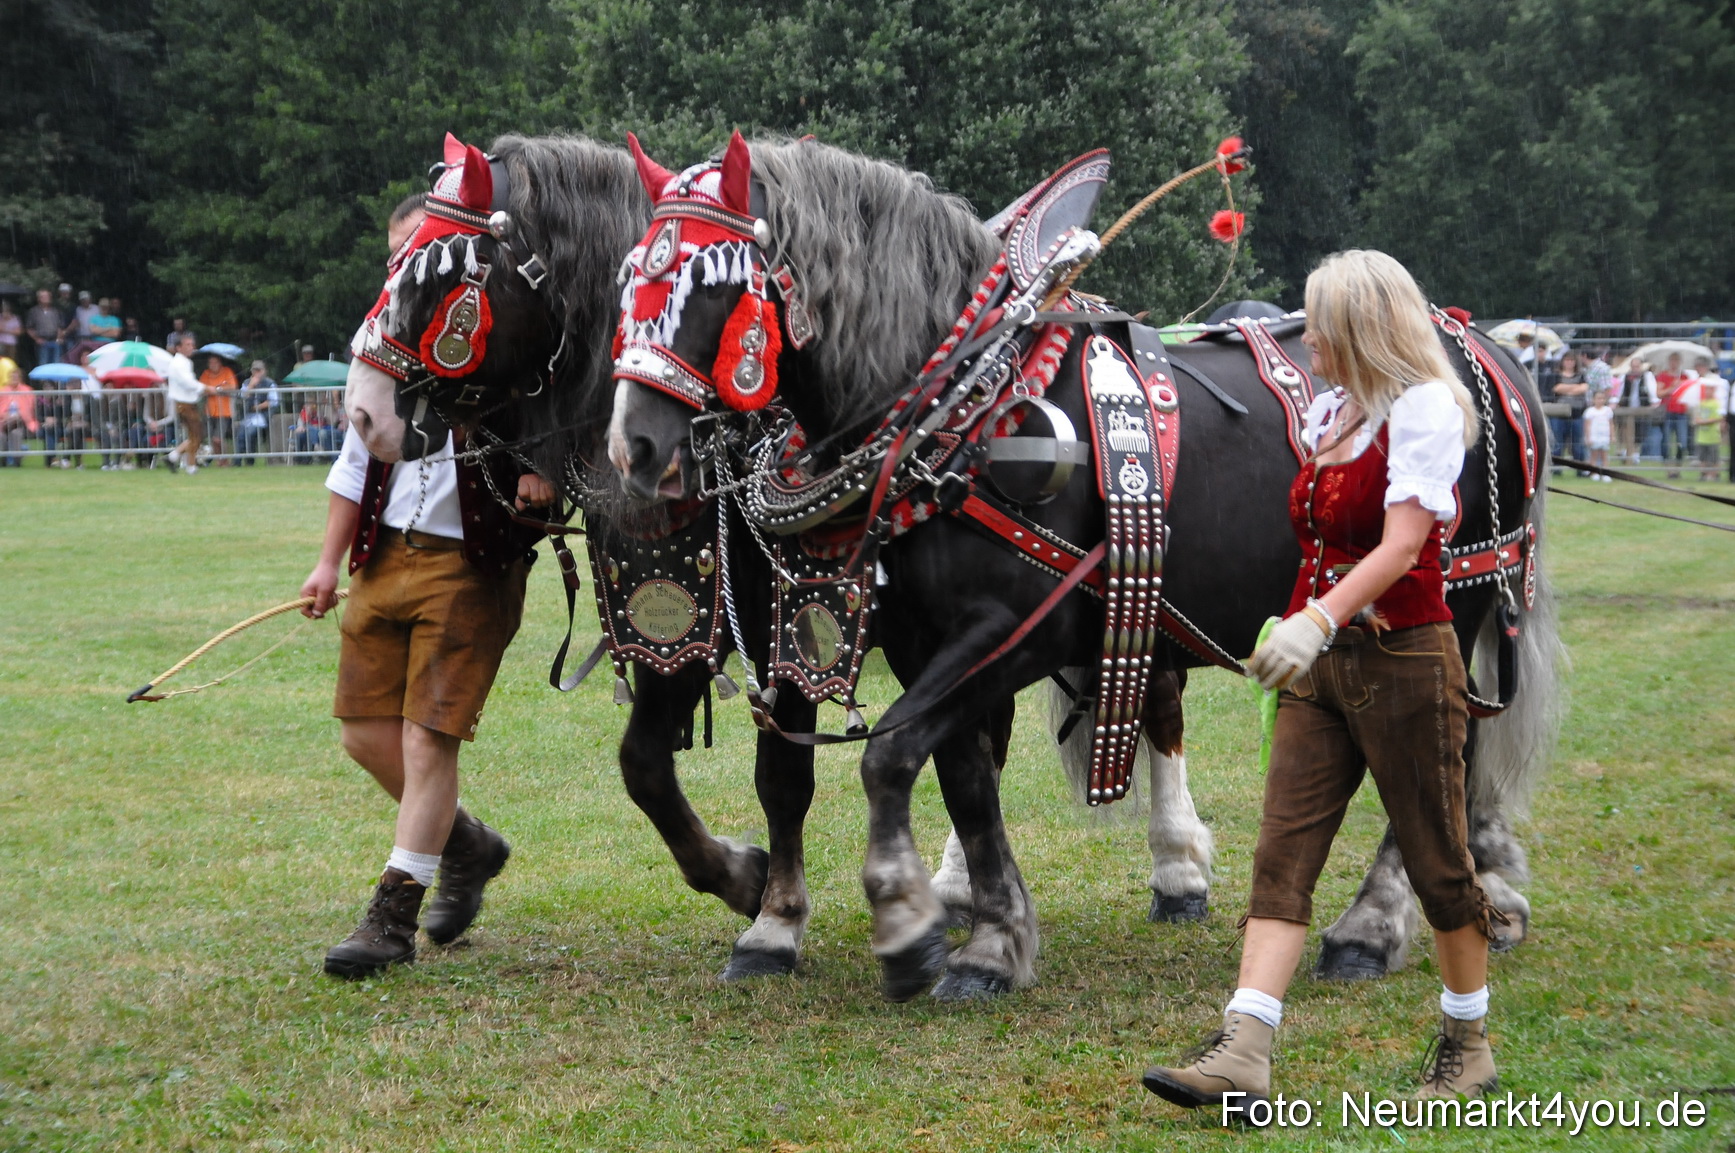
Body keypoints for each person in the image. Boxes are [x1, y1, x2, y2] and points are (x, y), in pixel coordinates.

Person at [1144, 250, 1500, 1111]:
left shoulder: (1420, 411)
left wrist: (1314, 618)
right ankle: (1244, 1047)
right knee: (1280, 857)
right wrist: (1306, 626)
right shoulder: (1334, 412)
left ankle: (1467, 1040)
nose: (1306, 343)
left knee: (1437, 863)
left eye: (1319, 326)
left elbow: (1402, 545)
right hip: (1323, 668)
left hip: (1403, 658)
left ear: (1360, 328)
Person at [296, 185, 552, 980]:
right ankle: (466, 843)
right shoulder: (379, 339)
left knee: (424, 736)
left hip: (468, 559)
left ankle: (392, 914)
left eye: (417, 251)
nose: (404, 267)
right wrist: (326, 560)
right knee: (362, 733)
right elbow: (351, 462)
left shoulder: (504, 332)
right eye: (395, 255)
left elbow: (558, 395)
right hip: (381, 553)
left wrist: (541, 466)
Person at [163, 334, 207, 474]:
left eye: (192, 344)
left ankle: (174, 457)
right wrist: (205, 388)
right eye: (187, 345)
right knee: (196, 435)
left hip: (187, 402)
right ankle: (190, 466)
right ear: (178, 347)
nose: (191, 347)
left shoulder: (185, 362)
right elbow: (187, 383)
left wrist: (199, 391)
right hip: (184, 404)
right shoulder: (179, 363)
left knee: (194, 435)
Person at [1656, 352, 1696, 476]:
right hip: (1668, 411)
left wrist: (1681, 386)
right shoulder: (1663, 376)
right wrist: (1672, 388)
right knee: (1666, 441)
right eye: (1672, 360)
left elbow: (1690, 394)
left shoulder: (1684, 377)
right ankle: (1669, 468)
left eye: (1676, 361)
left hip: (1681, 413)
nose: (1674, 363)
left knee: (1682, 441)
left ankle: (1677, 467)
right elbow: (1659, 393)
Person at [1549, 350, 1588, 473]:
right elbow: (1556, 388)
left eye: (1572, 360)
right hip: (1558, 415)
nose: (1569, 363)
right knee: (1557, 443)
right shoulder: (1555, 375)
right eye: (1567, 360)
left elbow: (1584, 388)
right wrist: (1575, 388)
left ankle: (1580, 470)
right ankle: (1556, 469)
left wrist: (1565, 389)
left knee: (1578, 444)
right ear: (1562, 362)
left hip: (1577, 413)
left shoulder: (1581, 375)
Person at [1614, 356, 1657, 464]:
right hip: (1627, 407)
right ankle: (1626, 451)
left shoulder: (1647, 376)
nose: (1635, 368)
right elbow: (1619, 391)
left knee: (1640, 431)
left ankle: (1634, 453)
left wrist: (1654, 402)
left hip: (1642, 407)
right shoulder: (1625, 376)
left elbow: (1652, 390)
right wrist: (1616, 402)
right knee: (1624, 430)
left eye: (1637, 366)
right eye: (1633, 366)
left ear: (1641, 366)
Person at [236, 359, 279, 463]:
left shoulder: (270, 383)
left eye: (259, 370)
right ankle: (236, 462)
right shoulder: (247, 383)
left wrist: (258, 407)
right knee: (240, 434)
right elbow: (243, 396)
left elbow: (273, 401)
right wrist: (251, 386)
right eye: (255, 370)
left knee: (250, 433)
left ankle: (250, 460)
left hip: (263, 415)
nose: (257, 373)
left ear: (264, 371)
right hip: (249, 415)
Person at [199, 354, 238, 463]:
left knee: (218, 438)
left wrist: (218, 389)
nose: (213, 365)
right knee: (211, 439)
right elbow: (201, 388)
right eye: (211, 363)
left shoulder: (227, 371)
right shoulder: (206, 374)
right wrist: (210, 390)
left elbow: (232, 386)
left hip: (224, 412)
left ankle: (225, 459)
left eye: (215, 362)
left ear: (220, 363)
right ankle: (219, 461)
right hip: (209, 411)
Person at [1694, 360, 1727, 481]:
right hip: (1702, 436)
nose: (1707, 391)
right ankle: (1703, 474)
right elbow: (1697, 417)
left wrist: (1706, 421)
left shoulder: (1716, 404)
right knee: (1702, 456)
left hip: (1713, 435)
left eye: (1710, 389)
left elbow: (1719, 417)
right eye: (1706, 389)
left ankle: (1714, 475)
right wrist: (1698, 420)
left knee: (1714, 457)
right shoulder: (1701, 403)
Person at [0, 361, 36, 466]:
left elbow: (29, 409)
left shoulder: (27, 390)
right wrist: (4, 416)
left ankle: (17, 462)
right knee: (1, 436)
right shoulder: (3, 390)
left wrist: (19, 416)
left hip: (21, 422)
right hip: (4, 421)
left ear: (20, 378)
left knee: (16, 434)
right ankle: (2, 462)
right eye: (12, 377)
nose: (14, 379)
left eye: (16, 377)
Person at [26, 289, 65, 366]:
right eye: (44, 296)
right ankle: (43, 379)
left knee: (56, 363)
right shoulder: (33, 311)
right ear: (39, 299)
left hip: (55, 341)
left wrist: (59, 338)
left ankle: (55, 378)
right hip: (42, 342)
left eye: (48, 296)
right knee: (43, 364)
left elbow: (60, 327)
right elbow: (29, 328)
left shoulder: (56, 311)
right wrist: (36, 339)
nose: (47, 298)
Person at [1583, 390, 1614, 482]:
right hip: (1594, 436)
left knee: (1604, 455)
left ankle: (1605, 473)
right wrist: (1588, 437)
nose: (1600, 400)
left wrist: (1612, 436)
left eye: (1602, 398)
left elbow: (1611, 424)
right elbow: (1587, 425)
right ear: (1593, 399)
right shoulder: (1590, 411)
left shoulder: (1608, 411)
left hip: (1604, 436)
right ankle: (1594, 473)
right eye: (1598, 398)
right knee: (1594, 455)